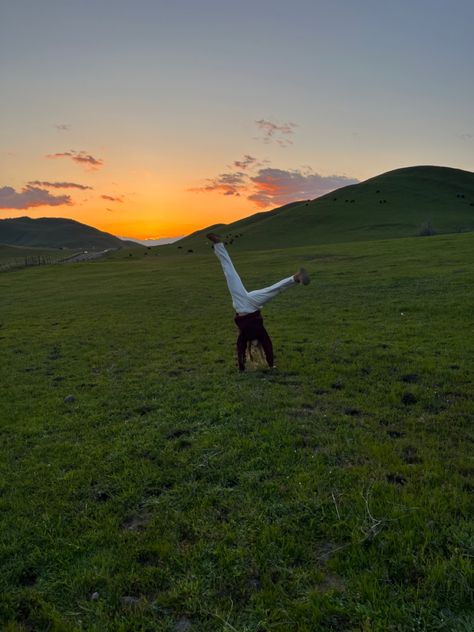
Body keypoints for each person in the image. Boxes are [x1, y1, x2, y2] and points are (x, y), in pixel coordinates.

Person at [207, 233, 310, 371]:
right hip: (252, 304)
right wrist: (271, 364)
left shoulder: (244, 337)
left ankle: (218, 245)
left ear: (252, 345)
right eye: (257, 346)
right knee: (273, 290)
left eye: (253, 346)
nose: (255, 345)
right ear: (258, 345)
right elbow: (268, 346)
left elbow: (240, 349)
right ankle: (296, 278)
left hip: (241, 304)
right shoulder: (261, 334)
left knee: (230, 274)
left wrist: (241, 368)